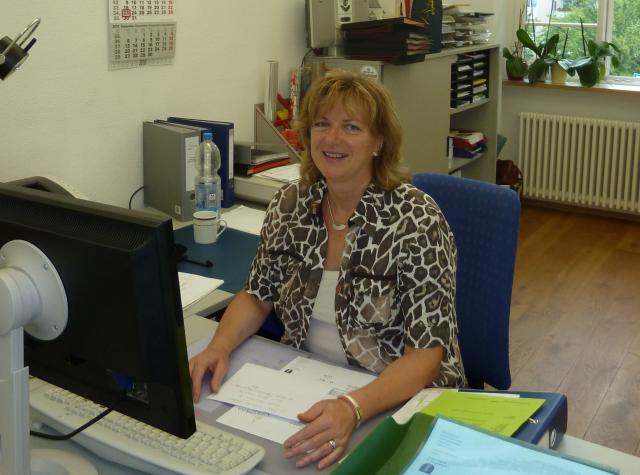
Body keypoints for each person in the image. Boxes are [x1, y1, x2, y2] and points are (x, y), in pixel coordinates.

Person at [189, 70, 466, 470]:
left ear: (379, 142)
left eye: (351, 127)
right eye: (322, 124)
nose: (332, 139)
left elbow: (426, 356)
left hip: (399, 398)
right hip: (307, 384)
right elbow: (256, 295)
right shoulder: (291, 203)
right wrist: (219, 346)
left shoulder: (417, 221)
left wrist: (353, 407)